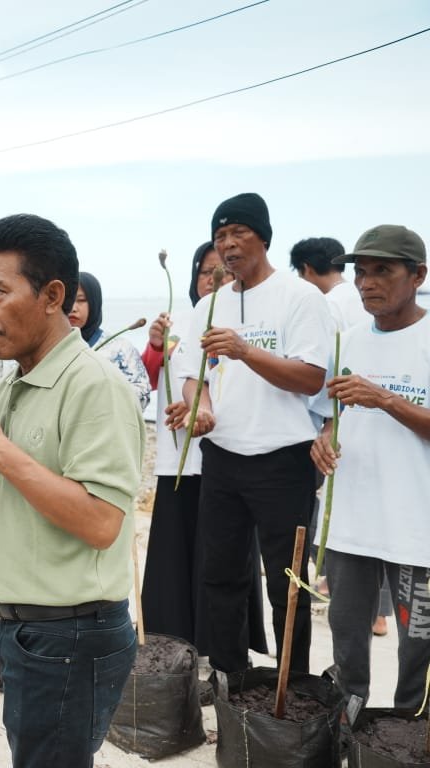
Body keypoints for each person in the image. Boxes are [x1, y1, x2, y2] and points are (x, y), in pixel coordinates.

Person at [0, 213, 142, 767]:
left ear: (52, 295)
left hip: (71, 634)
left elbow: (102, 523)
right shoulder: (12, 375)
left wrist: (0, 450)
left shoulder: (95, 386)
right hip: (26, 629)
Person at [172, 192, 333, 676]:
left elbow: (311, 378)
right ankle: (228, 679)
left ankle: (292, 684)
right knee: (220, 576)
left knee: (286, 582)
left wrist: (245, 352)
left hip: (284, 459)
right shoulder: (210, 304)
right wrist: (200, 408)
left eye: (239, 233)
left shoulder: (300, 297)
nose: (228, 245)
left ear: (263, 237)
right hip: (222, 457)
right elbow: (193, 372)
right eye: (220, 237)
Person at [310, 224, 430, 710]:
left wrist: (383, 398)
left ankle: (410, 737)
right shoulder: (348, 340)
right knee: (348, 644)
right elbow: (329, 417)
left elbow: (381, 405)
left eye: (383, 270)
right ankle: (347, 730)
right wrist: (322, 441)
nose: (367, 282)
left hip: (415, 526)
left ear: (418, 275)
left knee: (418, 650)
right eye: (360, 271)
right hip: (352, 523)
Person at [139, 243, 268, 659]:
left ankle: (222, 648)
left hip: (229, 457)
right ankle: (170, 646)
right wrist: (157, 347)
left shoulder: (246, 327)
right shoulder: (178, 323)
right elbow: (146, 378)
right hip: (179, 457)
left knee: (222, 558)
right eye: (206, 271)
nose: (215, 279)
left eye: (224, 272)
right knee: (175, 552)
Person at [291, 235, 390, 635]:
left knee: (340, 518)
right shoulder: (356, 313)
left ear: (307, 271)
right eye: (363, 271)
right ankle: (376, 612)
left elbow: (325, 383)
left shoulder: (329, 306)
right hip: (364, 442)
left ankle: (354, 598)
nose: (368, 282)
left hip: (353, 436)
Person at [68, 271, 150, 409]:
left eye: (81, 300)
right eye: (68, 301)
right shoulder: (49, 347)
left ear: (94, 302)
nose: (73, 308)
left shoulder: (119, 348)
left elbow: (143, 394)